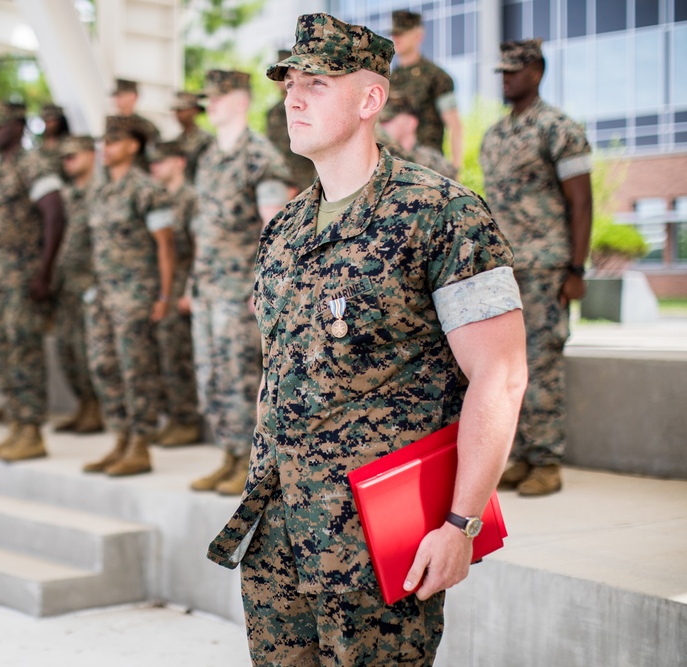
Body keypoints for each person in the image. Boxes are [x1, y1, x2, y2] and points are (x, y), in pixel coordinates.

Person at [205, 14, 527, 665]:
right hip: (279, 536)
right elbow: (279, 372)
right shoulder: (284, 229)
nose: (293, 97)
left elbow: (502, 373)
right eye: (290, 81)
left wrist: (461, 523)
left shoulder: (443, 214)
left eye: (317, 83)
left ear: (370, 99)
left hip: (379, 543)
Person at [481, 39, 593, 497]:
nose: (507, 78)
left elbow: (581, 201)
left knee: (543, 362)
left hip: (547, 267)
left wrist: (577, 269)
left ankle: (547, 461)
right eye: (503, 72)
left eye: (515, 71)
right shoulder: (494, 135)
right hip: (505, 269)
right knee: (507, 365)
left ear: (538, 72)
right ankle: (522, 453)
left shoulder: (560, 129)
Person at [187, 69, 290, 496]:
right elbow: (202, 228)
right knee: (212, 375)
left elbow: (275, 230)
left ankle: (252, 464)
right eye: (208, 97)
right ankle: (228, 453)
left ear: (242, 101)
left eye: (219, 96)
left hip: (239, 291)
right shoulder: (210, 157)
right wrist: (193, 283)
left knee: (242, 376)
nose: (210, 103)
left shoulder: (259, 157)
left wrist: (264, 287)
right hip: (209, 288)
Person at [81, 116, 175, 477]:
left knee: (136, 369)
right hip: (104, 295)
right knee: (103, 366)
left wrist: (164, 295)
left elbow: (165, 246)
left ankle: (140, 444)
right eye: (104, 140)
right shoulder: (101, 190)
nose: (106, 147)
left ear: (133, 146)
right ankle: (120, 437)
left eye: (114, 140)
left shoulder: (146, 189)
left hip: (136, 293)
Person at [0, 100, 67, 462]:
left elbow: (54, 215)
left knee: (24, 350)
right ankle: (15, 426)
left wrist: (44, 271)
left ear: (17, 127)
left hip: (23, 276)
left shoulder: (33, 165)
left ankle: (31, 432)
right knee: (2, 353)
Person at [148, 140, 201, 447]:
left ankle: (185, 419)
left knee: (176, 353)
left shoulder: (190, 198)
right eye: (153, 163)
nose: (155, 167)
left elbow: (198, 248)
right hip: (160, 282)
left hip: (182, 280)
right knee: (162, 353)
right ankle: (172, 416)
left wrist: (191, 288)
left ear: (179, 162)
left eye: (162, 161)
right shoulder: (158, 198)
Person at [53, 134, 105, 434]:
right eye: (64, 157)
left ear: (90, 154)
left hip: (91, 282)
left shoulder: (99, 191)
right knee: (68, 348)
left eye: (73, 155)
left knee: (89, 350)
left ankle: (96, 409)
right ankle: (83, 405)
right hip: (68, 284)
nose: (68, 162)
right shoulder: (69, 193)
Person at [390, 9, 463, 174]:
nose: (396, 38)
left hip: (428, 165)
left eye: (402, 33)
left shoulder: (436, 77)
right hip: (396, 166)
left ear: (418, 35)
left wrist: (455, 170)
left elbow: (455, 126)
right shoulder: (389, 79)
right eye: (394, 33)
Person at [267, 49, 318, 193]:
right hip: (281, 180)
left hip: (305, 179)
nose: (279, 82)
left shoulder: (310, 105)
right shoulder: (274, 112)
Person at [379, 91, 457, 178]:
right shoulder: (381, 159)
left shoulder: (433, 163)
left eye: (388, 120)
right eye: (381, 121)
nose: (382, 126)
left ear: (410, 123)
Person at [112, 79, 160, 171]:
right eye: (116, 96)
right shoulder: (112, 124)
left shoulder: (146, 126)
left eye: (121, 96)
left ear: (133, 97)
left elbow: (154, 155)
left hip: (139, 175)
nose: (117, 100)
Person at [170, 91, 213, 183]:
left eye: (182, 110)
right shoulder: (176, 141)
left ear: (194, 111)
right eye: (176, 111)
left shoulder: (208, 140)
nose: (178, 115)